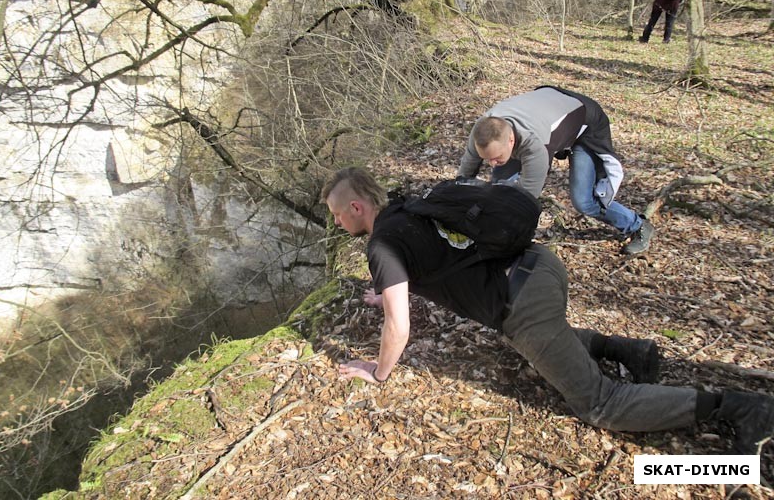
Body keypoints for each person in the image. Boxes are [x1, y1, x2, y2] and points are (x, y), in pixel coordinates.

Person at [322, 166, 774, 455]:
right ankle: (631, 352)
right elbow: (433, 257)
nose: (338, 223)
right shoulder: (405, 209)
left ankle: (737, 407)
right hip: (541, 264)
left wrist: (378, 372)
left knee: (600, 404)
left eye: (338, 215)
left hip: (523, 302)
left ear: (357, 207)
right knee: (538, 341)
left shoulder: (381, 245)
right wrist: (387, 292)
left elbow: (397, 329)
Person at [457, 85, 653, 255]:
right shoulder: (482, 132)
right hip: (549, 109)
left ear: (511, 141)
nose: (491, 163)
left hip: (586, 123)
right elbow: (462, 179)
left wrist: (505, 241)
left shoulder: (535, 147)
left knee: (584, 201)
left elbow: (525, 202)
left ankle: (637, 225)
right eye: (487, 159)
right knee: (501, 186)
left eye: (496, 157)